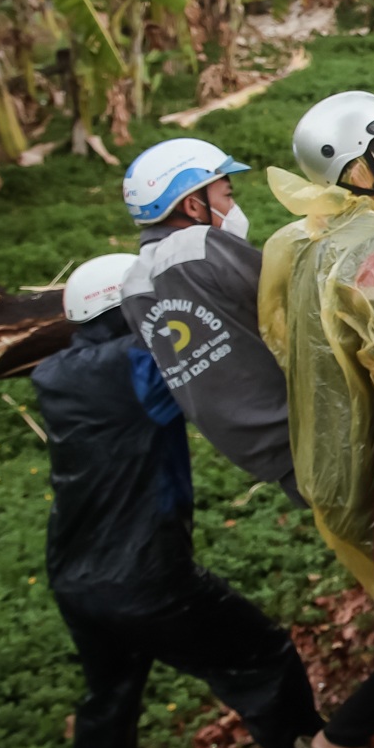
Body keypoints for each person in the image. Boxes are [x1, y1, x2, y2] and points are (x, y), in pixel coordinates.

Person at [39, 255, 324, 748]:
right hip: (146, 575)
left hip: (75, 580)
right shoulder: (138, 365)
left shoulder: (56, 374)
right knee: (263, 659)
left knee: (108, 701)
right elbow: (206, 370)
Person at [260, 90, 374, 748]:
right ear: (360, 169)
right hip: (371, 470)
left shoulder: (307, 239)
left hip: (328, 465)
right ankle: (340, 740)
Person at [117, 138, 301, 505]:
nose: (234, 207)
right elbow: (287, 297)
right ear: (192, 204)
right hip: (307, 428)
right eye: (227, 196)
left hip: (261, 450)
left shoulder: (132, 284)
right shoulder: (195, 246)